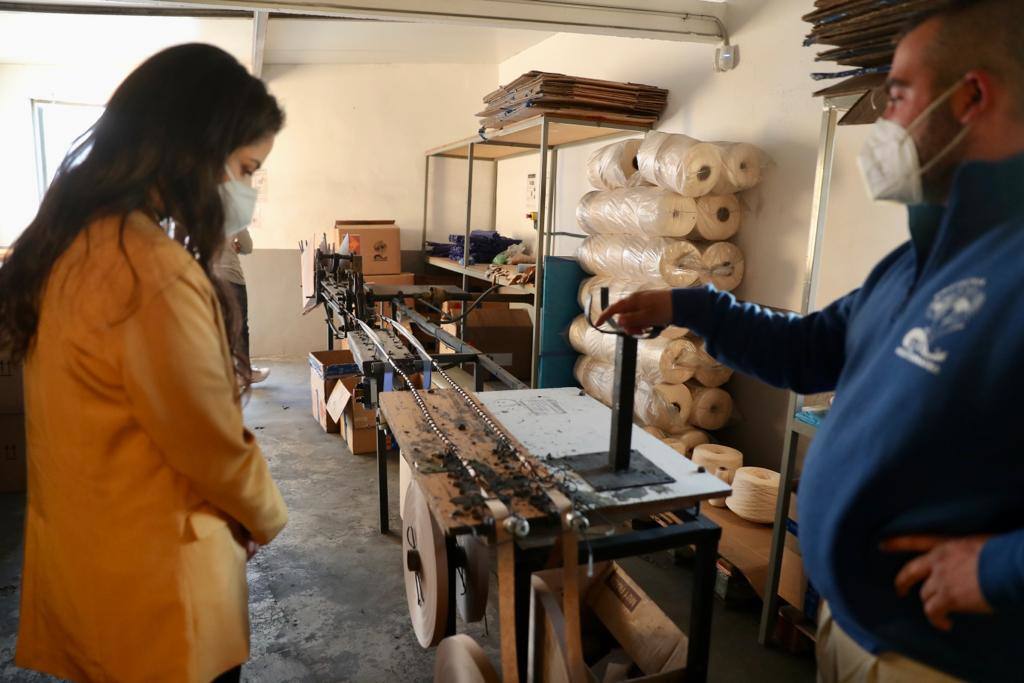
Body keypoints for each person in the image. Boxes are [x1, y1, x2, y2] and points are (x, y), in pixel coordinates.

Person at [597, 1, 1024, 680]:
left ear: (972, 96)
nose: (886, 118)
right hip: (855, 627)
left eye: (900, 93)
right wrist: (685, 302)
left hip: (943, 658)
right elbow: (809, 349)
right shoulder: (920, 258)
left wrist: (996, 570)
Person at [0, 44, 288, 682]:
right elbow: (209, 442)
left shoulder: (71, 242)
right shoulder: (148, 269)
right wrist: (266, 513)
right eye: (245, 167)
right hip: (159, 588)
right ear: (194, 148)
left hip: (96, 565)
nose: (247, 189)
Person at [217, 227, 271, 384]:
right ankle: (242, 372)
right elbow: (247, 246)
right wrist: (234, 245)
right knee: (239, 327)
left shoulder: (197, 208)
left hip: (206, 275)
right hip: (230, 277)